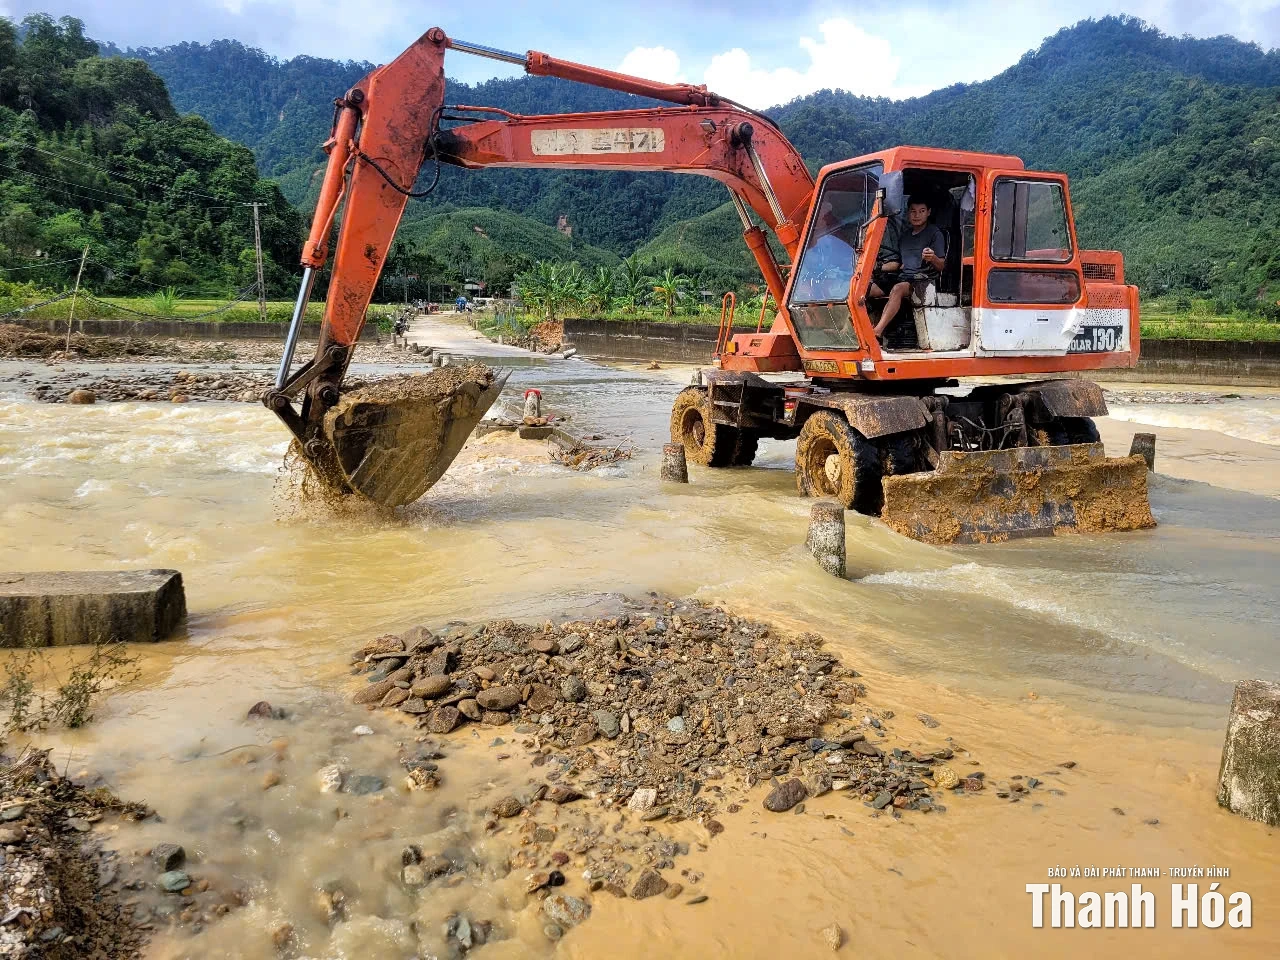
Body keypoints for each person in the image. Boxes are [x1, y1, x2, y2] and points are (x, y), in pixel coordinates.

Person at [870, 198, 947, 342]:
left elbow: (941, 266)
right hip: (902, 276)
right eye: (913, 211)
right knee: (867, 288)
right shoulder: (905, 236)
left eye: (921, 211)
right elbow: (898, 264)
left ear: (928, 212)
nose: (916, 215)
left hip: (923, 280)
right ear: (908, 213)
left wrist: (933, 258)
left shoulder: (935, 234)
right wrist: (876, 267)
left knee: (897, 289)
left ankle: (877, 332)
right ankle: (852, 329)